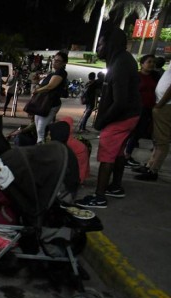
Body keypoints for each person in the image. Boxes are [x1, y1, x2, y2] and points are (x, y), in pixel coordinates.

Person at [76, 27, 140, 209]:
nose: (98, 48)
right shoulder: (122, 60)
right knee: (118, 152)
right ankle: (116, 186)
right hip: (130, 116)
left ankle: (99, 196)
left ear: (110, 45)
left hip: (121, 118)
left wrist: (101, 121)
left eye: (101, 44)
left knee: (106, 155)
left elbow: (120, 102)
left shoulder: (120, 64)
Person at [133, 64, 171, 182]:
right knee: (157, 139)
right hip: (162, 105)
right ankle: (150, 166)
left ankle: (153, 170)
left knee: (162, 140)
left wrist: (159, 105)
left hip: (165, 106)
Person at [124, 54, 159, 168]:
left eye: (153, 62)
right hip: (137, 108)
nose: (152, 64)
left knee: (138, 133)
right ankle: (125, 155)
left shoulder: (155, 76)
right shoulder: (136, 76)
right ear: (142, 64)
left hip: (149, 109)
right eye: (149, 62)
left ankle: (127, 155)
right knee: (132, 133)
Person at [31, 51, 68, 144]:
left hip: (50, 104)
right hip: (43, 103)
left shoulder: (61, 72)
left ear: (64, 63)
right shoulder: (54, 72)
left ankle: (42, 149)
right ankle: (40, 146)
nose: (55, 62)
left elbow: (50, 86)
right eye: (54, 60)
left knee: (40, 128)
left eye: (58, 61)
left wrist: (37, 91)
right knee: (38, 126)